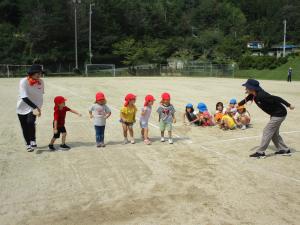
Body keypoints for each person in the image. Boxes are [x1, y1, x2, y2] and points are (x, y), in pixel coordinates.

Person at [238, 79, 295, 157]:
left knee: (267, 131)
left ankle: (260, 153)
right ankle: (284, 150)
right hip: (275, 114)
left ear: (252, 88)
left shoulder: (262, 95)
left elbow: (277, 98)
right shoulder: (253, 94)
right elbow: (246, 100)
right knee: (274, 133)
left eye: (247, 87)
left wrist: (289, 105)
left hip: (279, 114)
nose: (245, 89)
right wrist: (236, 105)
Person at [17, 64, 44, 152]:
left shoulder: (41, 82)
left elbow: (40, 96)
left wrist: (38, 108)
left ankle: (32, 140)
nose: (40, 75)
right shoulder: (23, 81)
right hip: (22, 107)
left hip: (34, 107)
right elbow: (24, 98)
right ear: (32, 73)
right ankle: (28, 144)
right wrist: (35, 106)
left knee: (30, 122)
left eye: (40, 73)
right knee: (24, 126)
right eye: (38, 73)